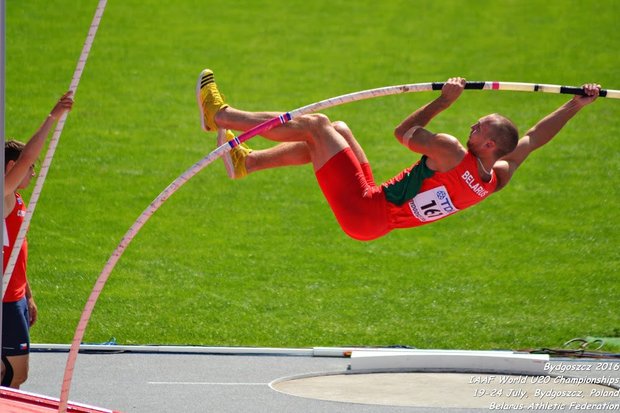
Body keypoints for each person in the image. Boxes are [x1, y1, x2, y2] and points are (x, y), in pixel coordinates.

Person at [196, 70, 600, 241]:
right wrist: (575, 106)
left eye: (479, 127)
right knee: (337, 133)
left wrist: (442, 102)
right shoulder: (494, 177)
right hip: (375, 217)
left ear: (489, 144)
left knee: (317, 124)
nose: (472, 125)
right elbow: (533, 137)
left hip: (365, 208)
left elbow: (403, 133)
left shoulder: (451, 152)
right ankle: (247, 162)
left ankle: (221, 116)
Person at [2, 91, 74, 388]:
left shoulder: (15, 201)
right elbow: (29, 154)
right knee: (14, 377)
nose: (32, 172)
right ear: (10, 168)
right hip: (4, 301)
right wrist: (52, 117)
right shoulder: (3, 198)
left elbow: (16, 252)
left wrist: (28, 295)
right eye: (28, 168)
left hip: (15, 297)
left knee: (15, 377)